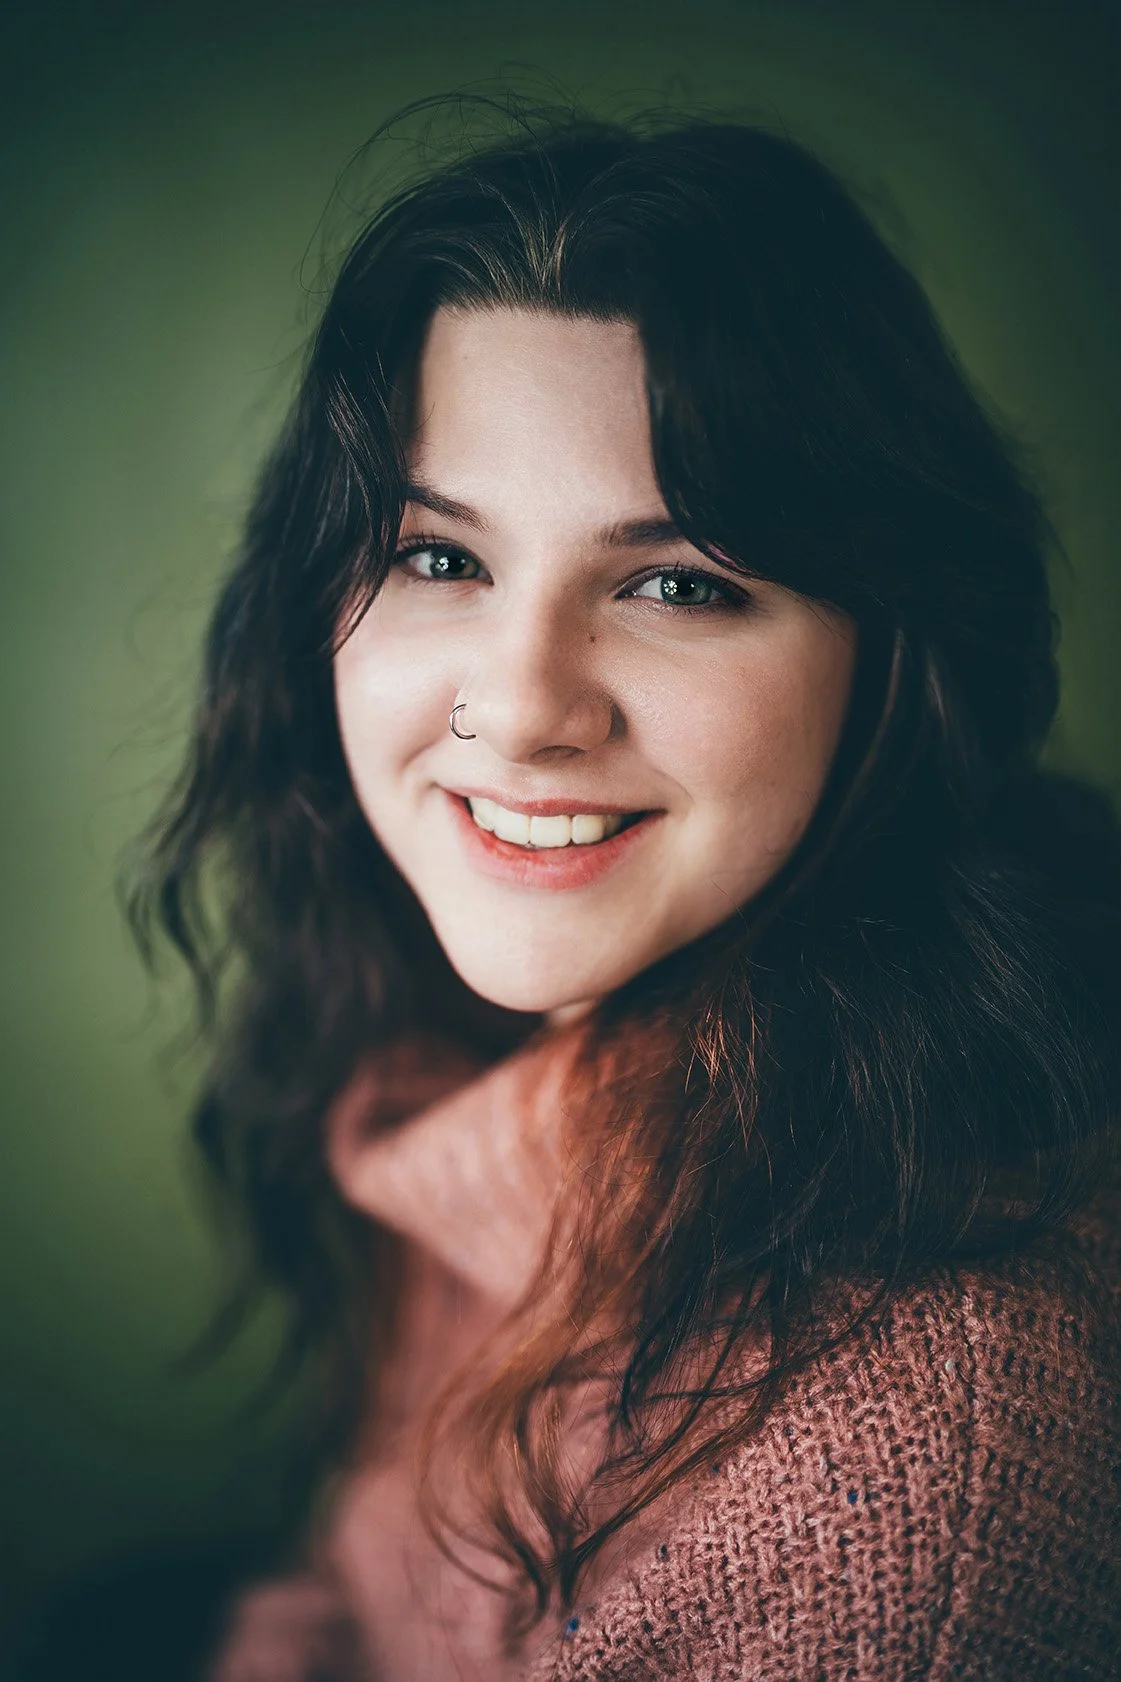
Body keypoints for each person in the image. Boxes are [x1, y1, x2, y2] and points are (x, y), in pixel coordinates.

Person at [130, 98, 1121, 1680]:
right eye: (439, 558)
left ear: (889, 663)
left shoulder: (910, 1494)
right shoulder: (491, 1075)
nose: (525, 708)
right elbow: (353, 1590)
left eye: (677, 583)